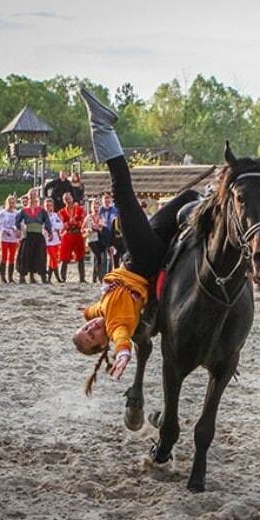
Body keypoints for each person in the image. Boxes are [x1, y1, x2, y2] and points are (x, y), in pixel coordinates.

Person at [73, 87, 198, 381]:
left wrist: (86, 312)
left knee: (190, 198)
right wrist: (124, 353)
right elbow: (122, 339)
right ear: (103, 345)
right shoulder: (118, 325)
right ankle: (101, 126)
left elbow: (91, 312)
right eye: (92, 337)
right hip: (142, 261)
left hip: (142, 255)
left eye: (85, 330)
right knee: (122, 194)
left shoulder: (101, 312)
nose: (91, 330)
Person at [15, 189, 52, 284]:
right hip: (28, 235)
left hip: (38, 235)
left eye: (34, 195)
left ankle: (41, 277)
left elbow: (47, 221)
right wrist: (18, 229)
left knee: (40, 255)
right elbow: (17, 220)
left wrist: (50, 232)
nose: (32, 197)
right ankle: (22, 277)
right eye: (31, 195)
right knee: (26, 255)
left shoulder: (41, 210)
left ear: (37, 196)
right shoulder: (24, 210)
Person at [59, 192, 87, 282]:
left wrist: (77, 223)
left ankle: (82, 278)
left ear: (72, 198)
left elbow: (83, 220)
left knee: (81, 256)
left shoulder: (79, 209)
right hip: (68, 234)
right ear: (64, 201)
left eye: (69, 197)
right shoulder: (62, 212)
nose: (68, 200)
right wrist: (67, 224)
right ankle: (63, 277)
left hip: (78, 233)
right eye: (66, 198)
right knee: (64, 257)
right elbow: (61, 224)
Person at [0, 195, 20, 283]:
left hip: (13, 237)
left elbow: (19, 225)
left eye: (13, 203)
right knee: (4, 256)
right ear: (7, 203)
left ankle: (10, 277)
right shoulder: (3, 213)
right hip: (5, 237)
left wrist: (17, 230)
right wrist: (5, 230)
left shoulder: (17, 213)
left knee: (12, 256)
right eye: (10, 202)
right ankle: (3, 277)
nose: (11, 204)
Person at [84, 198, 106, 283]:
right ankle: (100, 277)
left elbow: (103, 228)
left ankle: (94, 277)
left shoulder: (101, 216)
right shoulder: (88, 217)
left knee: (97, 258)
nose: (95, 208)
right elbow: (83, 228)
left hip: (100, 239)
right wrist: (88, 230)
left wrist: (100, 228)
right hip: (91, 239)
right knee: (99, 257)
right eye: (94, 206)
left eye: (97, 206)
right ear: (91, 207)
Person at [43, 198, 64, 283]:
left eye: (50, 205)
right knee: (53, 258)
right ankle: (57, 276)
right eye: (47, 206)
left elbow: (60, 225)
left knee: (53, 258)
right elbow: (43, 226)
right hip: (47, 238)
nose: (49, 207)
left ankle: (49, 277)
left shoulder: (55, 215)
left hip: (55, 238)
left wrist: (54, 225)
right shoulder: (43, 216)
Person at [98, 192, 118, 276]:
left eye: (108, 198)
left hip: (112, 234)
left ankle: (110, 273)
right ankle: (100, 275)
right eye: (105, 198)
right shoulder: (100, 210)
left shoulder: (115, 210)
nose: (106, 200)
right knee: (102, 256)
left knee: (112, 256)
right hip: (102, 235)